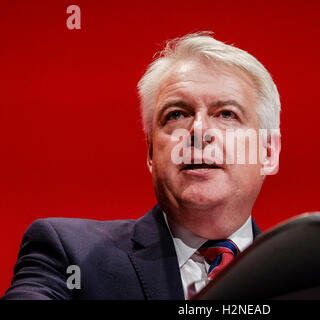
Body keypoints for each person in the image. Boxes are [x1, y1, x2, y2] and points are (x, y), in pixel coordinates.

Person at [2, 32, 281, 300]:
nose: (197, 130)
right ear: (150, 152)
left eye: (226, 114)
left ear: (268, 152)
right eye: (176, 114)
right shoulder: (70, 254)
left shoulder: (312, 274)